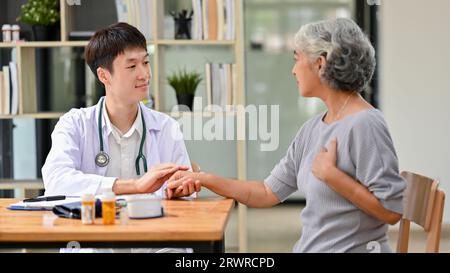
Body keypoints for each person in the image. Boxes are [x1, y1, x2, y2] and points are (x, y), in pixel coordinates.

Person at [166, 18, 406, 253]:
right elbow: (265, 192)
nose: (293, 70)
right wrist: (203, 178)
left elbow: (392, 211)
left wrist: (334, 177)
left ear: (320, 63)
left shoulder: (366, 123)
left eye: (296, 59)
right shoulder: (313, 128)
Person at [42, 22, 197, 199]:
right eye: (132, 66)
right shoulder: (75, 124)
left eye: (146, 62)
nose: (144, 74)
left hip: (150, 225)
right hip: (91, 226)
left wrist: (181, 190)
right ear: (103, 75)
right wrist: (136, 186)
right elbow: (56, 181)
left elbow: (184, 194)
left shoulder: (167, 127)